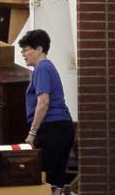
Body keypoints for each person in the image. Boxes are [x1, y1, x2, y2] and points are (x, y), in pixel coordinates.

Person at [19, 29, 75, 187]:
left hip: (52, 128)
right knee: (54, 175)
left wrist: (32, 132)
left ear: (39, 49)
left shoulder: (42, 68)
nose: (23, 54)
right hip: (60, 126)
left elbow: (43, 102)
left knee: (46, 176)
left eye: (26, 50)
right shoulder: (47, 67)